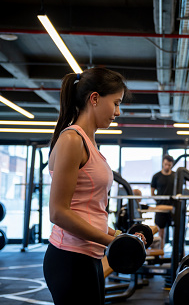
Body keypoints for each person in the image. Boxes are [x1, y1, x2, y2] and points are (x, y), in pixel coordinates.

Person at [42, 67, 145, 305]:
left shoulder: (89, 142)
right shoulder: (71, 140)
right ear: (95, 98)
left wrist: (121, 235)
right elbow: (58, 212)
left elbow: (89, 213)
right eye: (116, 103)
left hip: (88, 255)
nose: (118, 112)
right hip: (70, 258)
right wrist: (114, 242)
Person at [150, 154, 175, 250]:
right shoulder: (156, 176)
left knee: (177, 232)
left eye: (169, 165)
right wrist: (159, 201)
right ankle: (161, 255)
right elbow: (152, 193)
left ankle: (180, 256)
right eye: (165, 164)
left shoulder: (175, 175)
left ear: (171, 164)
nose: (167, 166)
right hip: (160, 208)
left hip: (173, 208)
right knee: (161, 233)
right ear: (162, 163)